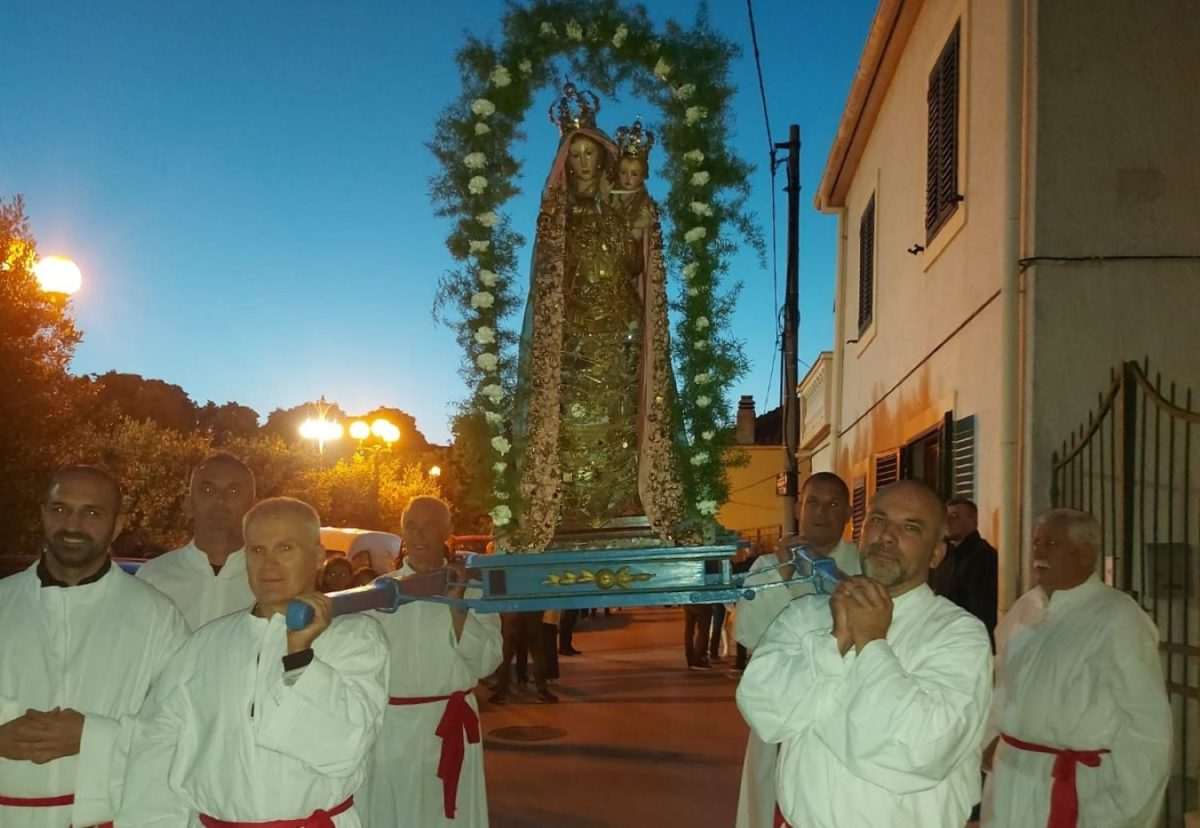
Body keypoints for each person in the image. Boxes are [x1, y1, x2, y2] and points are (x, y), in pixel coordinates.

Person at [119, 497, 389, 826]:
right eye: (257, 550)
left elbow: (343, 750)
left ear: (318, 557)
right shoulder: (205, 644)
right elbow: (156, 750)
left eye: (285, 548)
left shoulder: (356, 638)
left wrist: (299, 656)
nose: (268, 564)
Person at [737, 480, 992, 828]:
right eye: (878, 520)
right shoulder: (808, 613)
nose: (886, 536)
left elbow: (916, 751)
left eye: (911, 528)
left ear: (936, 553)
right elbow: (762, 708)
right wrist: (836, 642)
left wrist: (871, 642)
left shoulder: (959, 634)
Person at [508, 85, 683, 550]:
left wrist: (638, 234)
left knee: (623, 417)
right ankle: (571, 505)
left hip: (620, 330)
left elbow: (634, 267)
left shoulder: (622, 207)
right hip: (575, 337)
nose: (584, 163)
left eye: (590, 154)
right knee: (574, 422)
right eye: (577, 154)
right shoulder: (557, 215)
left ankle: (629, 500)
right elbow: (548, 280)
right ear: (567, 160)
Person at [0, 465, 188, 828]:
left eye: (92, 513)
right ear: (42, 513)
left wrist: (93, 735)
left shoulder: (156, 617)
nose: (72, 525)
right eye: (59, 509)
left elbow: (182, 728)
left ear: (118, 524)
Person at [983, 509, 1171, 828]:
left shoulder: (1119, 618)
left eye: (1051, 543)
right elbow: (1002, 681)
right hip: (1009, 783)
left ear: (1084, 553)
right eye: (1036, 543)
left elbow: (1146, 723)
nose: (1038, 553)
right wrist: (990, 740)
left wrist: (1122, 806)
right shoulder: (1026, 608)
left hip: (1079, 790)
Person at [361, 496, 502, 828]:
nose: (420, 535)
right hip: (392, 733)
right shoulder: (378, 593)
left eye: (429, 526)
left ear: (447, 531)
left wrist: (456, 607)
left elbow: (488, 661)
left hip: (450, 723)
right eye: (412, 526)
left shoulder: (473, 590)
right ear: (401, 531)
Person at [733, 471, 862, 828]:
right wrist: (784, 579)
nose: (822, 513)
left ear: (849, 514)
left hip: (841, 716)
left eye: (833, 504)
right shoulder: (767, 566)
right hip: (780, 711)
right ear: (798, 509)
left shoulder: (862, 565)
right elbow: (746, 633)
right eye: (813, 503)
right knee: (770, 803)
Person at [136, 452, 257, 630]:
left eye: (233, 491)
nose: (220, 500)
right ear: (188, 504)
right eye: (208, 490)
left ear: (253, 507)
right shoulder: (153, 577)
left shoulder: (269, 580)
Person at [930, 497, 998, 647]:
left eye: (954, 516)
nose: (947, 521)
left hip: (967, 641)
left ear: (972, 520)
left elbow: (982, 610)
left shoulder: (984, 557)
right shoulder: (946, 557)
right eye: (945, 516)